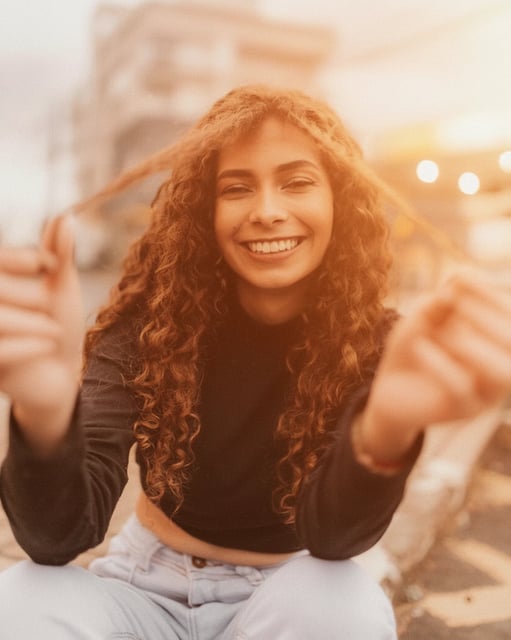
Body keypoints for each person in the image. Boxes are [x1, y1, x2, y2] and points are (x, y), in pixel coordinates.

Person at [0, 85, 509, 640]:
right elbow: (57, 539)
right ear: (204, 210)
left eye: (296, 182)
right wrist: (45, 414)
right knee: (25, 597)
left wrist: (385, 427)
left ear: (340, 198)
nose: (267, 211)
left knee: (343, 602)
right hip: (140, 587)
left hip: (286, 598)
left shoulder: (378, 342)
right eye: (237, 188)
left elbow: (334, 540)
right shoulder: (146, 322)